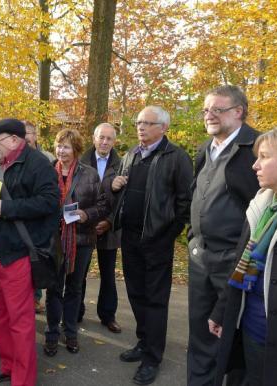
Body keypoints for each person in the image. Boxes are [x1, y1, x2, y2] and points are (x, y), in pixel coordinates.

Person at [112, 106, 192, 385]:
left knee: (156, 299)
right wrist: (115, 185)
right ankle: (143, 342)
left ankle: (153, 357)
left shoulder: (176, 157)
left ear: (163, 128)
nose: (141, 127)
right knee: (135, 294)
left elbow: (185, 202)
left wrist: (169, 234)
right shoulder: (131, 155)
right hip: (130, 238)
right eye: (138, 122)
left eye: (148, 123)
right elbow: (121, 192)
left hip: (158, 241)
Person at [187, 85, 260, 386]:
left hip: (234, 261)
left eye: (217, 109)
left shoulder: (255, 147)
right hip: (200, 257)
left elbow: (262, 209)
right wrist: (193, 236)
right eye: (206, 110)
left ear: (238, 111)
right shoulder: (206, 148)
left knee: (234, 339)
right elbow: (197, 194)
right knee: (200, 335)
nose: (209, 115)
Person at [0, 118, 60, 385]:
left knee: (20, 321)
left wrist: (7, 209)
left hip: (19, 254)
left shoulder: (39, 164)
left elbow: (49, 203)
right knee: (1, 317)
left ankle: (23, 379)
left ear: (15, 140)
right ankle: (8, 366)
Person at [211, 126, 277, 386]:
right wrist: (224, 311)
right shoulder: (262, 205)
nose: (255, 165)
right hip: (249, 331)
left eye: (264, 157)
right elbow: (240, 263)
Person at [43, 128, 102, 356]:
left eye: (66, 146)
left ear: (75, 149)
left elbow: (103, 205)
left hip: (82, 239)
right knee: (54, 288)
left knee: (75, 289)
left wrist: (86, 214)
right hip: (53, 239)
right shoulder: (47, 172)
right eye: (58, 145)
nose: (61, 150)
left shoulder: (89, 174)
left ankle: (71, 333)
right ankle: (51, 334)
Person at [79, 122, 122, 333]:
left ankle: (108, 315)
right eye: (101, 137)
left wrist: (110, 221)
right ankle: (76, 312)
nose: (104, 142)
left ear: (114, 141)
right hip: (84, 226)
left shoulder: (122, 164)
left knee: (108, 274)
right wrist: (88, 218)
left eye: (109, 139)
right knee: (79, 272)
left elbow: (124, 199)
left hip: (109, 228)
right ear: (94, 138)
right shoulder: (81, 161)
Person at [23, 120, 54, 314]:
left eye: (29, 133)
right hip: (20, 218)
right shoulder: (11, 157)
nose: (26, 136)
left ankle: (36, 298)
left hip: (40, 219)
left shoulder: (48, 158)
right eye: (22, 132)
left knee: (38, 260)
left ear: (35, 135)